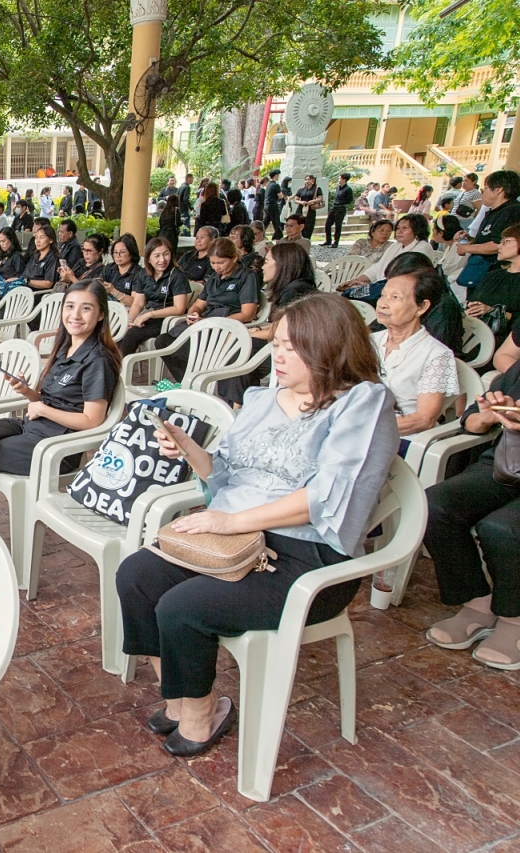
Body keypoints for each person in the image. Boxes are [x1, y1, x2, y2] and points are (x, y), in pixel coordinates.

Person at [118, 292, 397, 755]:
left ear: (329, 347)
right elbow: (224, 475)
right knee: (136, 576)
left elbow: (327, 497)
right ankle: (182, 697)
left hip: (309, 557)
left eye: (292, 346)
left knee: (183, 607)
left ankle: (201, 714)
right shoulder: (263, 399)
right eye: (277, 344)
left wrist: (232, 522)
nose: (277, 355)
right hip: (237, 537)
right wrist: (190, 450)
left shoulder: (362, 403)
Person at [0, 281, 121, 511]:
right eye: (70, 306)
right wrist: (27, 392)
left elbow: (92, 421)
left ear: (101, 315)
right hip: (32, 426)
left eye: (86, 308)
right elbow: (52, 400)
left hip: (56, 445)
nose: (75, 315)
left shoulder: (98, 360)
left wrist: (42, 409)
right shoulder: (65, 349)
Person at [422, 317, 520, 668]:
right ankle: (478, 602)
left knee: (502, 528)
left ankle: (514, 618)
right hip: (508, 460)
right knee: (435, 505)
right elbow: (473, 420)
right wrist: (489, 417)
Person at [214, 242, 318, 405]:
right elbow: (277, 325)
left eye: (267, 262)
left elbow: (281, 331)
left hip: (295, 351)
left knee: (239, 351)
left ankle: (237, 406)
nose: (262, 267)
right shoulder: (293, 287)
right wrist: (253, 330)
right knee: (238, 346)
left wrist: (246, 334)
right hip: (284, 344)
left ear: (283, 265)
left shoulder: (295, 291)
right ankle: (239, 403)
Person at [371, 266, 460, 441]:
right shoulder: (369, 341)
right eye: (383, 295)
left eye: (395, 297)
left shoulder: (436, 354)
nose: (382, 304)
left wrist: (366, 428)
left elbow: (424, 419)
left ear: (421, 307)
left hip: (401, 437)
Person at [154, 237, 258, 381]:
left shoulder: (246, 277)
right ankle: (187, 382)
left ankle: (195, 380)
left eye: (221, 263)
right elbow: (198, 305)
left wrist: (217, 323)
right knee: (163, 341)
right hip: (206, 321)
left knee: (185, 347)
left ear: (234, 258)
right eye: (213, 263)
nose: (217, 267)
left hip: (227, 325)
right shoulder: (214, 278)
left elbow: (247, 314)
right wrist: (193, 314)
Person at [338, 214, 435, 302]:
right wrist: (355, 280)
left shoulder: (423, 247)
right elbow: (377, 267)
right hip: (382, 287)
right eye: (398, 228)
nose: (399, 231)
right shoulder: (396, 245)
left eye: (405, 228)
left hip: (401, 295)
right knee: (345, 295)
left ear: (417, 229)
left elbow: (404, 277)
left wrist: (371, 286)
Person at [120, 237, 190, 356]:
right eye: (157, 256)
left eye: (166, 254)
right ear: (148, 258)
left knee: (132, 334)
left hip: (166, 318)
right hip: (148, 316)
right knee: (122, 331)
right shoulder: (143, 274)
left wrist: (149, 315)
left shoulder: (177, 276)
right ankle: (109, 364)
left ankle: (117, 366)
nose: (162, 259)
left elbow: (179, 308)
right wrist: (130, 321)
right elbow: (138, 303)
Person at [455, 170, 520, 282]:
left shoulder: (511, 212)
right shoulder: (495, 211)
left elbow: (497, 244)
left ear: (498, 190)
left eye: (485, 189)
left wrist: (466, 248)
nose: (482, 193)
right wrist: (469, 239)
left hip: (494, 274)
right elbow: (487, 238)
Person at [465, 224, 520, 342]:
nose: (499, 246)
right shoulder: (492, 275)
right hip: (475, 336)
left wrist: (493, 311)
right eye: (501, 241)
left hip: (507, 341)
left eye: (506, 241)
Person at [101, 234, 143, 311]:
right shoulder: (109, 268)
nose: (118, 255)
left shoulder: (139, 273)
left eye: (122, 252)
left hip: (126, 310)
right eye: (115, 252)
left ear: (131, 252)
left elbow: (135, 303)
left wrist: (113, 291)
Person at [21, 223, 62, 292]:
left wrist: (27, 281)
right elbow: (25, 274)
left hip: (39, 294)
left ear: (50, 240)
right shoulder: (35, 256)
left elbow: (48, 283)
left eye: (42, 237)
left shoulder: (53, 258)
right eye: (36, 238)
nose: (38, 241)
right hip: (25, 290)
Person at [322, 173, 354, 248]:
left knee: (338, 225)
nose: (338, 180)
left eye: (340, 178)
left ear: (344, 180)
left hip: (341, 208)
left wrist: (342, 203)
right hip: (334, 207)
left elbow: (349, 200)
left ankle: (336, 242)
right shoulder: (338, 188)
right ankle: (328, 240)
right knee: (328, 224)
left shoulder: (348, 189)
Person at [289, 175, 324, 240]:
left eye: (309, 179)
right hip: (301, 208)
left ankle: (307, 239)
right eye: (306, 179)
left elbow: (320, 198)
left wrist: (312, 201)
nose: (307, 181)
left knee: (309, 225)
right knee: (299, 223)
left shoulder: (316, 188)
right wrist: (301, 202)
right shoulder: (301, 189)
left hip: (310, 209)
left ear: (312, 180)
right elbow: (296, 200)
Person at [263, 169, 285, 239]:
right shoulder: (276, 185)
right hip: (273, 205)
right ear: (275, 176)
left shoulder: (268, 185)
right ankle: (279, 236)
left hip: (267, 205)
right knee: (276, 223)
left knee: (265, 222)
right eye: (278, 175)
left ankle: (260, 232)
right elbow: (280, 196)